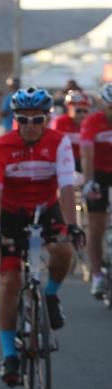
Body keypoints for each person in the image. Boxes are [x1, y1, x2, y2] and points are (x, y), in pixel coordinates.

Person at [0, 86, 79, 385]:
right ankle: (9, 353)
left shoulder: (59, 143)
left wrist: (72, 225)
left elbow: (66, 187)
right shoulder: (0, 146)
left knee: (64, 250)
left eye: (37, 119)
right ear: (15, 120)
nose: (30, 126)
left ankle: (49, 295)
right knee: (10, 281)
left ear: (47, 119)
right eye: (23, 120)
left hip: (46, 209)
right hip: (11, 215)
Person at [80, 83, 112, 298]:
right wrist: (89, 181)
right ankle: (97, 274)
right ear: (103, 105)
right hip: (99, 174)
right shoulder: (93, 121)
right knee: (96, 225)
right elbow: (87, 155)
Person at [51, 89, 89, 172]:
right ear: (69, 108)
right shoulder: (60, 122)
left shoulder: (90, 123)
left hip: (84, 161)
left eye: (85, 111)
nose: (82, 114)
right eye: (78, 111)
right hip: (65, 160)